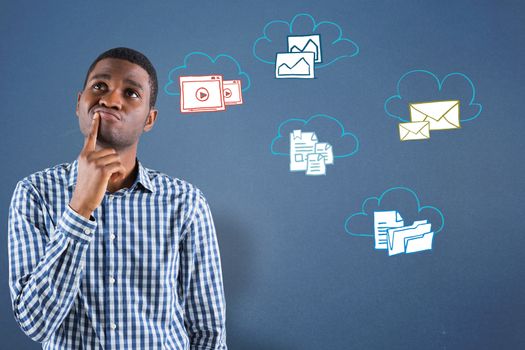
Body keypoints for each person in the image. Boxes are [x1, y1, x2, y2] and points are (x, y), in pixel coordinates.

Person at [8, 47, 227, 349]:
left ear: (149, 119)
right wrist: (80, 209)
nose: (110, 100)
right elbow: (34, 322)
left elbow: (208, 332)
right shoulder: (34, 194)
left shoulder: (185, 203)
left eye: (131, 93)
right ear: (78, 103)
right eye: (100, 86)